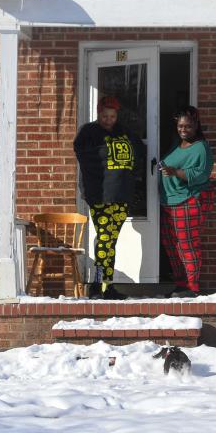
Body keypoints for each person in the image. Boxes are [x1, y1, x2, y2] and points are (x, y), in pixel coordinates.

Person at [73, 95, 142, 298]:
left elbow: (138, 153)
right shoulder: (88, 132)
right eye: (105, 116)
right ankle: (100, 284)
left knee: (111, 240)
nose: (108, 120)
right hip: (101, 195)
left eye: (112, 116)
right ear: (98, 112)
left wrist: (131, 175)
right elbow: (85, 156)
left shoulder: (125, 132)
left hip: (122, 195)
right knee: (105, 239)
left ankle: (103, 284)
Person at [158, 106, 214, 298]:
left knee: (187, 245)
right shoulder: (177, 143)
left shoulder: (201, 148)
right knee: (171, 245)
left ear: (196, 126)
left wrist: (175, 172)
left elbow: (201, 174)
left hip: (188, 200)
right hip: (169, 201)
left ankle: (192, 287)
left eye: (188, 127)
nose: (183, 130)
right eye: (180, 126)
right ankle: (180, 283)